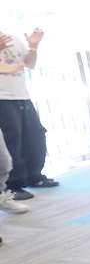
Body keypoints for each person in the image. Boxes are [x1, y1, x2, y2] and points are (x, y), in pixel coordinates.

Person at [0, 28, 55, 203]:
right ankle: (13, 185)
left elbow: (29, 63)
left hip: (21, 95)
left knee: (35, 135)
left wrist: (33, 47)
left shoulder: (12, 37)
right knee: (12, 140)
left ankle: (34, 175)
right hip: (2, 97)